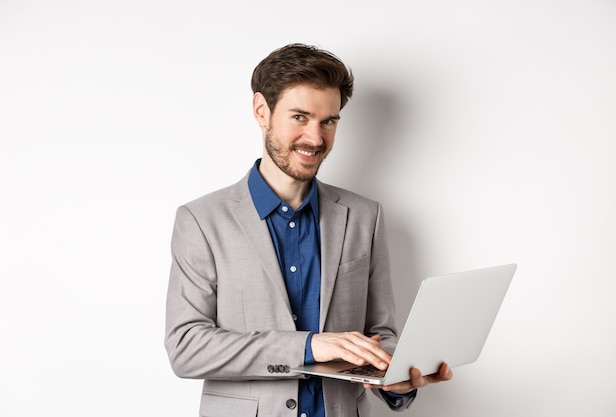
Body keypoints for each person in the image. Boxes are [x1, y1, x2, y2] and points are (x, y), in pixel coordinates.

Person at [164, 43, 453, 417]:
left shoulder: (365, 215)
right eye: (300, 117)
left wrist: (393, 378)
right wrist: (309, 346)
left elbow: (382, 333)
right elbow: (187, 348)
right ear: (261, 111)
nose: (316, 139)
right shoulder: (201, 220)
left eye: (328, 121)